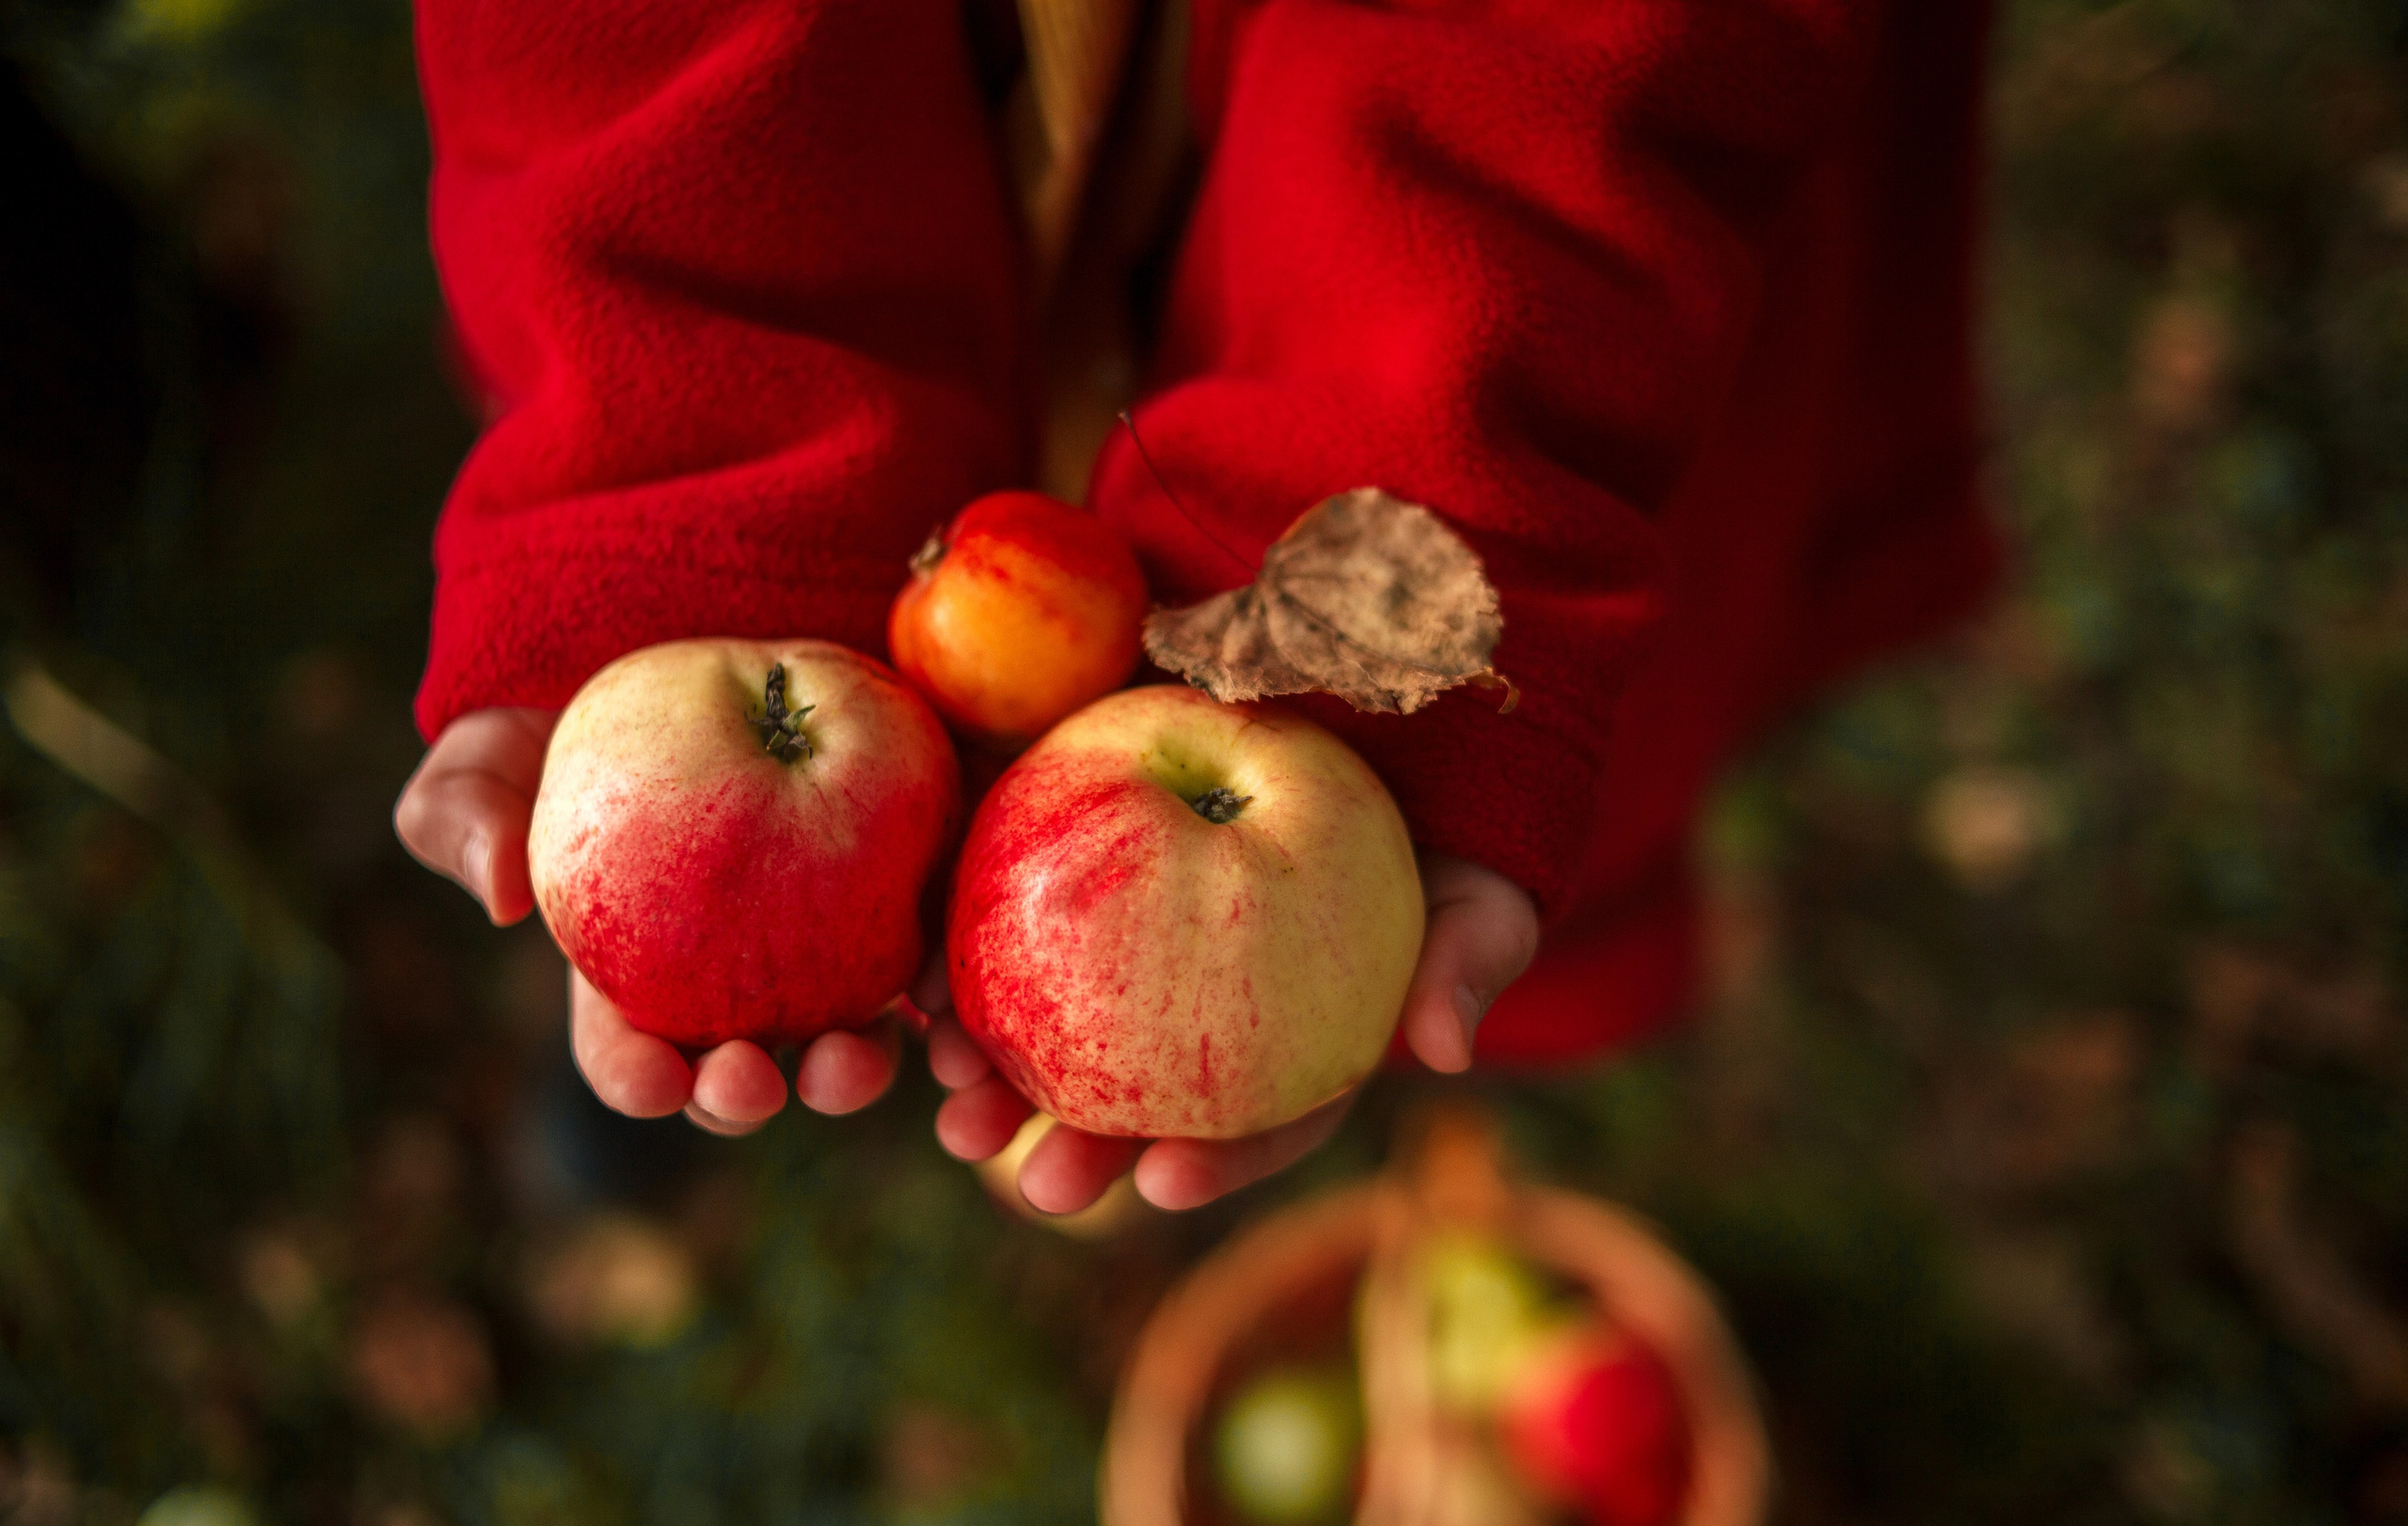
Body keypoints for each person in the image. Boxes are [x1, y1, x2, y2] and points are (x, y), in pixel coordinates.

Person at [395, 0, 1999, 1216]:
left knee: (1436, 815)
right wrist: (713, 474)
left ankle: (763, 956)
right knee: (748, 887)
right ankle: (726, 961)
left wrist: (1381, 517)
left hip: (1486, 251)